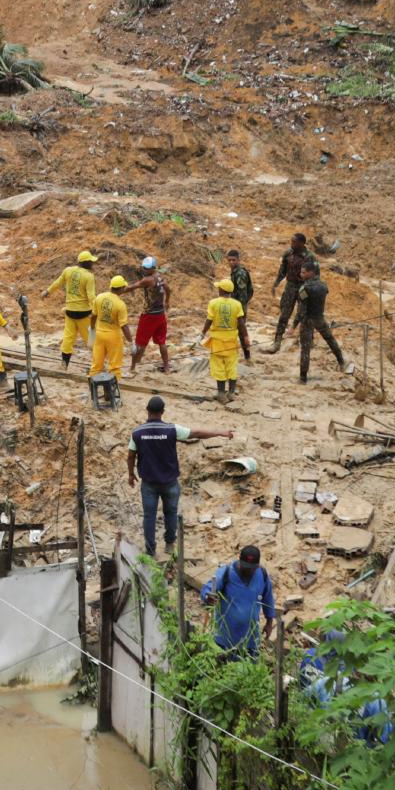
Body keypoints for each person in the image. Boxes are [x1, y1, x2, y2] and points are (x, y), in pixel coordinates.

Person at [126, 396, 234, 557]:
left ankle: (150, 551)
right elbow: (196, 433)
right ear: (162, 412)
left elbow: (130, 455)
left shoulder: (137, 433)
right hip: (170, 482)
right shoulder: (172, 430)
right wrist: (220, 432)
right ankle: (169, 544)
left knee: (149, 516)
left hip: (148, 483)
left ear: (147, 410)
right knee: (171, 513)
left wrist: (130, 474)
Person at [200, 546, 277, 654]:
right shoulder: (226, 572)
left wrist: (269, 622)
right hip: (224, 640)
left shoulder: (262, 575)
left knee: (249, 668)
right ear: (239, 560)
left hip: (250, 640)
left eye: (252, 568)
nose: (249, 570)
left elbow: (268, 599)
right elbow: (208, 588)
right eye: (246, 567)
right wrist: (208, 596)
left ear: (257, 565)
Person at [293, 260, 351, 384]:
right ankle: (341, 362)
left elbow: (301, 311)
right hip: (320, 318)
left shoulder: (304, 288)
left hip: (307, 321)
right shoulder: (323, 285)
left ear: (311, 273)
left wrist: (293, 326)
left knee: (305, 348)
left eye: (303, 272)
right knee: (330, 340)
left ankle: (303, 378)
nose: (301, 274)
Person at [46, 250, 98, 368]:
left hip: (69, 312)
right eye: (91, 262)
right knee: (91, 340)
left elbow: (58, 283)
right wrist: (97, 310)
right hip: (84, 314)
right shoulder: (89, 276)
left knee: (68, 339)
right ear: (86, 263)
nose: (93, 264)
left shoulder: (68, 271)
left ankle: (64, 364)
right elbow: (91, 296)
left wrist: (47, 291)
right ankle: (98, 364)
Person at [201, 277, 247, 403]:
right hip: (231, 341)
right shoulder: (237, 304)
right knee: (231, 366)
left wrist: (203, 332)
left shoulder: (213, 303)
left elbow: (209, 320)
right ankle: (231, 393)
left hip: (217, 341)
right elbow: (241, 323)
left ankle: (221, 393)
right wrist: (246, 337)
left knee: (218, 366)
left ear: (221, 290)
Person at [267, 233, 315, 353]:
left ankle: (308, 340)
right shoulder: (288, 253)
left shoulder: (309, 257)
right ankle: (277, 341)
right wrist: (276, 283)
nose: (292, 244)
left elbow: (314, 275)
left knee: (305, 313)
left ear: (302, 243)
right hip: (290, 287)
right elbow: (282, 270)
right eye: (291, 241)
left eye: (294, 242)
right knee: (284, 314)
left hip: (303, 287)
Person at [123, 256, 170, 375]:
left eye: (147, 268)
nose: (144, 269)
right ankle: (167, 368)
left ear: (153, 268)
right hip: (160, 314)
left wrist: (117, 291)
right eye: (144, 267)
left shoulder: (148, 280)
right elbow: (168, 289)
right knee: (162, 342)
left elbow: (132, 287)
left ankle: (132, 368)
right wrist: (167, 301)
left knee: (139, 343)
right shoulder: (160, 276)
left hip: (149, 315)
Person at [90, 276, 130, 387]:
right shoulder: (120, 304)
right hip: (113, 337)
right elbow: (124, 326)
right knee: (114, 366)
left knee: (96, 364)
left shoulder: (99, 297)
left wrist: (92, 329)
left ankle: (93, 388)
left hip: (99, 334)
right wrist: (130, 342)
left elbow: (93, 316)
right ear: (121, 288)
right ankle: (111, 390)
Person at [226, 249, 254, 315]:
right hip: (236, 302)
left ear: (238, 260)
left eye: (233, 260)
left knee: (240, 324)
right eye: (229, 260)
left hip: (240, 304)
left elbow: (242, 292)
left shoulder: (240, 273)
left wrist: (240, 309)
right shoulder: (235, 271)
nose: (231, 262)